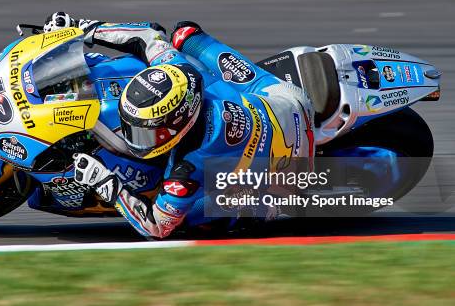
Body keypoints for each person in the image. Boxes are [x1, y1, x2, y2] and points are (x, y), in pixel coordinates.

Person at [44, 12, 315, 239]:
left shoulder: (187, 167)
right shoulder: (177, 68)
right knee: (185, 34)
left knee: (184, 219)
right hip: (283, 99)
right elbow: (148, 35)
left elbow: (156, 227)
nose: (135, 138)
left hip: (284, 172)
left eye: (145, 132)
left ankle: (267, 208)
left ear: (178, 125)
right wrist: (82, 29)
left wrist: (107, 184)